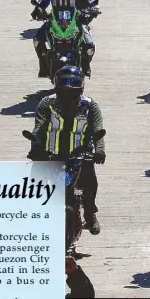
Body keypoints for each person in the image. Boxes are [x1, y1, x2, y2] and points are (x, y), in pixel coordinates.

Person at [27, 65, 105, 236]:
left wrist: (99, 150)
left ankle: (90, 214)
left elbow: (98, 130)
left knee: (90, 183)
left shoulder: (90, 106)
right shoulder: (47, 103)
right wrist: (36, 148)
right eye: (64, 91)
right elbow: (39, 128)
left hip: (80, 156)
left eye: (72, 91)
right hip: (51, 155)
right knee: (35, 184)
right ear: (56, 87)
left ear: (81, 89)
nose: (68, 96)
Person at [32, 0, 98, 78]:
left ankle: (85, 65)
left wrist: (92, 6)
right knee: (37, 40)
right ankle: (43, 65)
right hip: (54, 19)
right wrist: (38, 9)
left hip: (77, 19)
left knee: (89, 45)